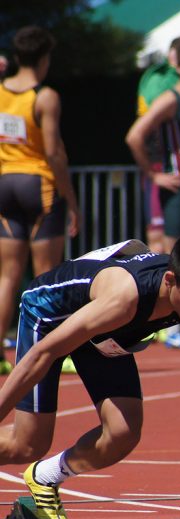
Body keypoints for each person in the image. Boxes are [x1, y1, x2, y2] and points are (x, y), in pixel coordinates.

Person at [0, 231, 180, 519]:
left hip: (104, 334)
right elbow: (43, 353)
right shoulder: (125, 299)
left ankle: (45, 477)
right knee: (27, 444)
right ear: (170, 280)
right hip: (51, 319)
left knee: (123, 433)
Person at [0, 26, 81, 375]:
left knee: (8, 275)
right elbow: (53, 152)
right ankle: (48, 353)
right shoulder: (45, 96)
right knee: (46, 277)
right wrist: (72, 200)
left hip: (5, 183)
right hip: (39, 185)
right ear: (44, 58)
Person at [125, 42, 180, 254]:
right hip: (176, 184)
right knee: (173, 254)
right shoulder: (170, 100)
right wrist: (153, 175)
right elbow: (134, 136)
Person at [136, 36, 180, 252]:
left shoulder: (153, 77)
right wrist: (152, 175)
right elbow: (136, 135)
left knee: (175, 244)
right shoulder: (162, 82)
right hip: (159, 167)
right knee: (159, 243)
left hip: (172, 170)